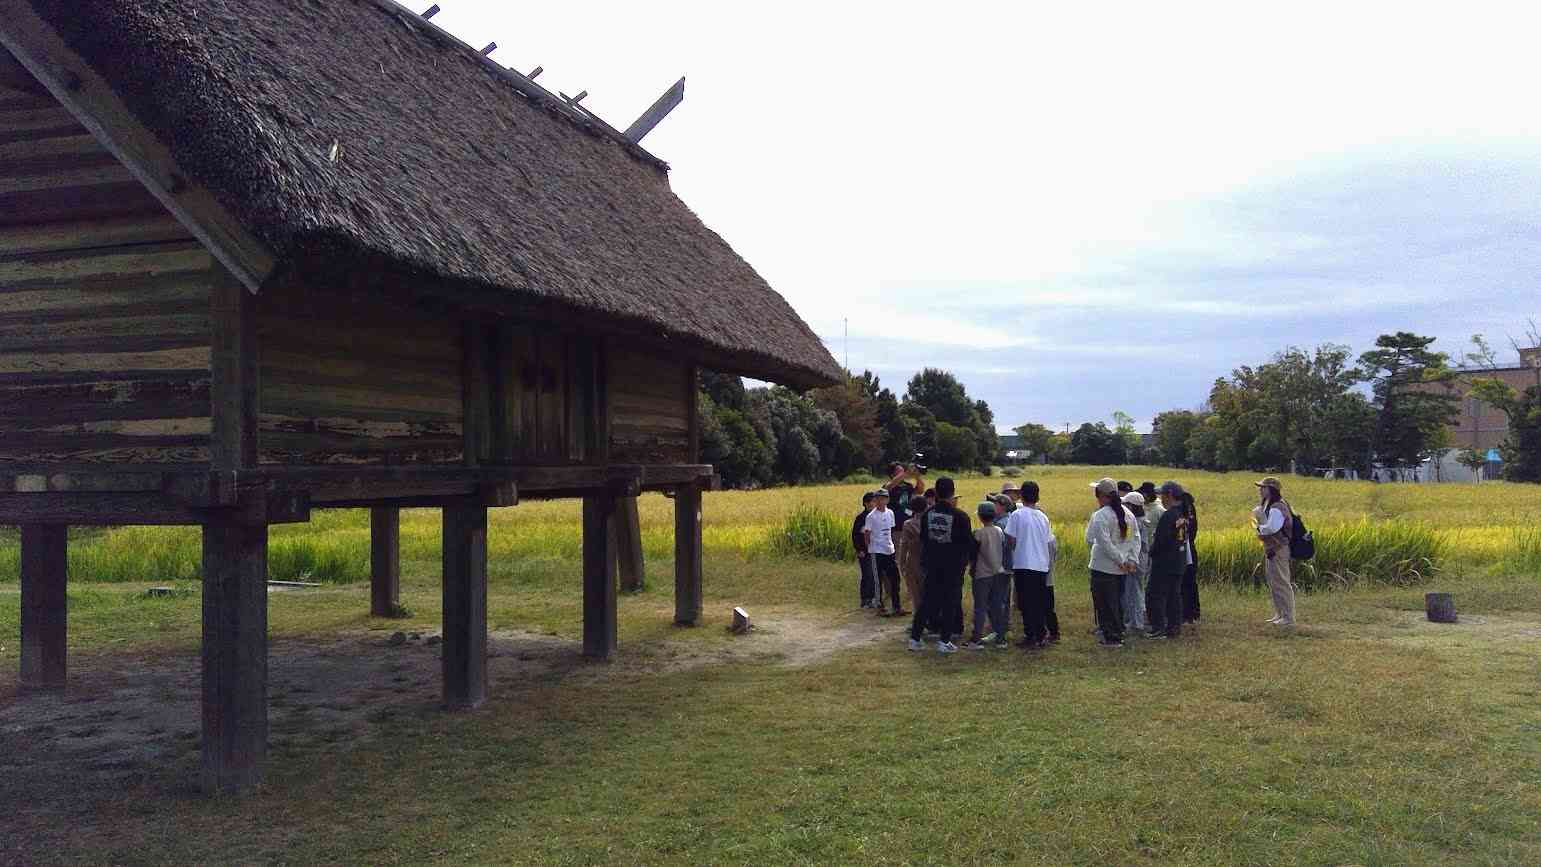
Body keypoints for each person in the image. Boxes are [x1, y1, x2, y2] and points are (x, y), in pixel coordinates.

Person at [909, 476, 973, 653]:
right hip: (953, 566)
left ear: (936, 492)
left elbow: (923, 539)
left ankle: (915, 638)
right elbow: (967, 543)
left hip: (931, 564)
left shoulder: (928, 514)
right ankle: (944, 641)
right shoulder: (960, 516)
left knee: (927, 601)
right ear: (953, 492)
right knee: (950, 602)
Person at [1085, 477, 1140, 648]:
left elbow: (1099, 541)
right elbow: (1135, 539)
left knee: (1104, 603)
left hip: (1103, 567)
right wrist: (1131, 559)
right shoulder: (1129, 514)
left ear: (1100, 496)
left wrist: (1120, 559)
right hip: (1121, 569)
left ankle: (1111, 637)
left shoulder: (1100, 516)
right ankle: (1118, 631)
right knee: (1117, 601)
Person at [1005, 480, 1056, 648]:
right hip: (1041, 564)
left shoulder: (1017, 515)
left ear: (1022, 495)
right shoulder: (1043, 516)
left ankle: (1030, 635)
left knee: (1026, 602)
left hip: (1023, 563)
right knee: (1039, 601)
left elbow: (1011, 539)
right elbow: (1048, 541)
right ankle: (1041, 633)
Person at [1145, 481, 1188, 638]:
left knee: (1155, 594)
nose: (1160, 498)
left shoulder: (1168, 515)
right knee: (1174, 596)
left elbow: (1161, 541)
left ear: (1169, 495)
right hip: (1179, 560)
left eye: (1162, 495)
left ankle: (1158, 628)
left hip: (1164, 562)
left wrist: (1151, 553)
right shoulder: (1182, 514)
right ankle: (1173, 627)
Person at [965, 501, 1010, 649]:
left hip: (982, 574)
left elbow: (973, 555)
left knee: (980, 607)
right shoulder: (999, 530)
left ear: (980, 517)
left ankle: (975, 639)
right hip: (999, 572)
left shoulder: (978, 534)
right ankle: (1001, 638)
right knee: (998, 605)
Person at [1253, 476, 1296, 627]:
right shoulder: (1270, 505)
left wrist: (1258, 528)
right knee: (1274, 582)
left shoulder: (1278, 507)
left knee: (1281, 582)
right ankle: (1280, 614)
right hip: (1273, 549)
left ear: (1271, 490)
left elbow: (1272, 527)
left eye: (1263, 487)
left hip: (1279, 549)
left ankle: (1288, 617)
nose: (1260, 490)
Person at [863, 490, 905, 617]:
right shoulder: (871, 516)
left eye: (883, 498)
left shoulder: (890, 513)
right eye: (878, 499)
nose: (880, 501)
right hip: (877, 551)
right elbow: (867, 534)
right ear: (875, 501)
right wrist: (871, 548)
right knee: (878, 580)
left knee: (895, 579)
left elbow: (890, 530)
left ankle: (896, 606)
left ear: (887, 500)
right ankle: (879, 607)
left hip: (889, 550)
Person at [1121, 491, 1149, 633]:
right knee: (1137, 589)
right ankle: (1136, 620)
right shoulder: (1144, 520)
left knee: (1134, 591)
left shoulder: (1135, 522)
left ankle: (1136, 622)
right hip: (1143, 558)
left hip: (1136, 560)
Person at [897, 494, 929, 618]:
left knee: (915, 596)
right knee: (926, 594)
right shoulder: (929, 522)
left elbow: (903, 546)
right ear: (926, 506)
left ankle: (918, 622)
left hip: (913, 562)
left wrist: (901, 564)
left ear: (912, 508)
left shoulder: (908, 524)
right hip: (927, 562)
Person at [852, 491, 876, 609]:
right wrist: (859, 549)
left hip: (876, 550)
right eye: (872, 501)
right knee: (867, 574)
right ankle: (864, 599)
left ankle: (873, 598)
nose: (874, 504)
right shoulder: (861, 518)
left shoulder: (878, 516)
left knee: (875, 575)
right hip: (864, 551)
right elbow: (855, 535)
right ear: (866, 504)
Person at [1180, 490, 1202, 623]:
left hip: (1185, 550)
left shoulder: (1183, 514)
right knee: (1191, 583)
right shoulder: (1191, 510)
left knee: (1185, 583)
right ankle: (1194, 612)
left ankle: (1187, 613)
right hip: (1191, 548)